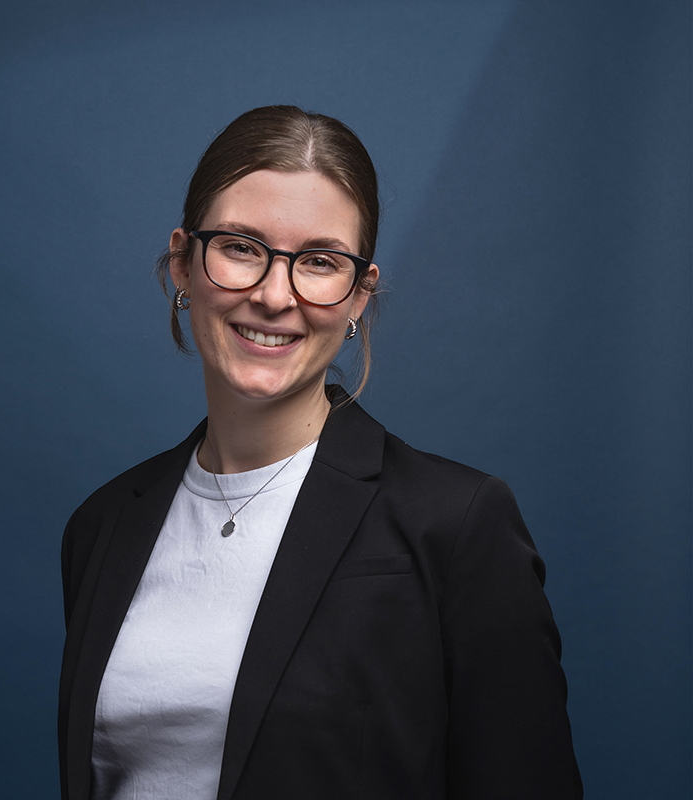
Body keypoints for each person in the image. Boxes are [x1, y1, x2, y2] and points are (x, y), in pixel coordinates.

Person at [58, 105, 582, 800]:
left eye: (319, 262)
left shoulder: (454, 524)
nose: (276, 296)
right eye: (241, 247)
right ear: (184, 262)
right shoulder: (104, 526)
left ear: (360, 294)